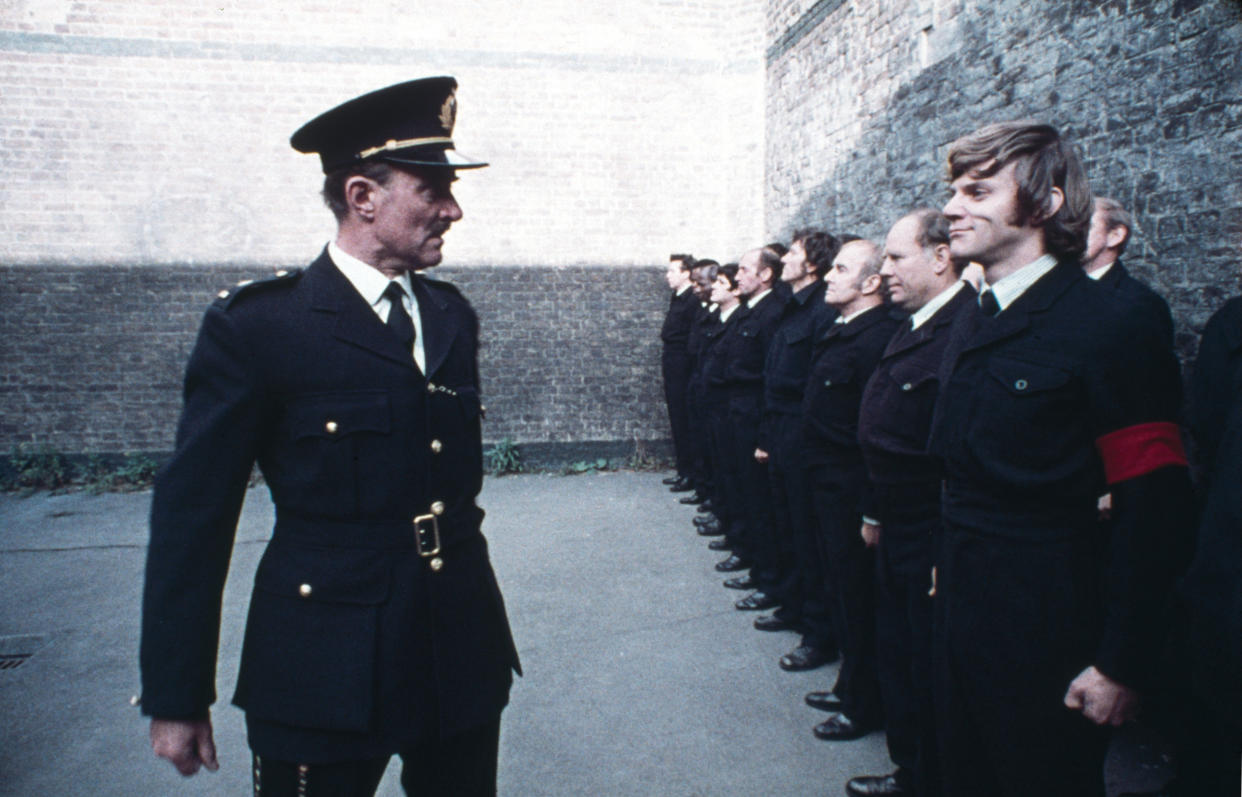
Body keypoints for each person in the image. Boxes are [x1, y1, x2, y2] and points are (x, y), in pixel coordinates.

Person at [139, 77, 521, 796]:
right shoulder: (260, 327)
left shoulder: (449, 316)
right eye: (432, 187)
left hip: (458, 650)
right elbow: (194, 514)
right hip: (324, 665)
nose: (453, 208)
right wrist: (176, 693)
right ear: (362, 196)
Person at [929, 120, 1191, 797]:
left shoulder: (1110, 323)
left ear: (1044, 203)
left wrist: (1122, 663)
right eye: (954, 190)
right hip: (963, 613)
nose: (952, 207)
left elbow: (1155, 503)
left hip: (1049, 631)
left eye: (977, 190)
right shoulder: (978, 311)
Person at [846, 209, 975, 797]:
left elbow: (954, 449)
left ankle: (926, 778)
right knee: (900, 650)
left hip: (931, 527)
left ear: (941, 257)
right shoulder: (915, 322)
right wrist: (875, 510)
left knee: (927, 665)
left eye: (897, 258)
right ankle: (911, 770)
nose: (886, 269)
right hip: (898, 520)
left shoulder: (964, 330)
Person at [801, 239, 903, 742]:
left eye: (840, 269)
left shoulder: (878, 338)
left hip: (851, 485)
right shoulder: (843, 330)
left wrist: (872, 509)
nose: (828, 276)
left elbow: (875, 430)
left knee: (860, 598)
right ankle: (851, 685)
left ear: (869, 284)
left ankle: (863, 705)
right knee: (842, 590)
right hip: (827, 482)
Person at [751, 231, 841, 675]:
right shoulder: (792, 306)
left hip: (802, 436)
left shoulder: (823, 311)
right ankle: (793, 606)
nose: (785, 258)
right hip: (780, 429)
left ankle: (819, 634)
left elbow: (813, 385)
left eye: (793, 253)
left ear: (812, 264)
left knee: (808, 538)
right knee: (786, 527)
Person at [714, 247, 789, 608]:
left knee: (761, 504)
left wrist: (764, 435)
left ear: (766, 276)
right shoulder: (750, 310)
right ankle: (756, 565)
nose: (737, 275)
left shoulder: (773, 313)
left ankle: (770, 581)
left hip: (755, 413)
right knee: (745, 495)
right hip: (736, 411)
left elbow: (770, 377)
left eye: (745, 269)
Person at [1082, 196, 1174, 346]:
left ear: (1115, 236)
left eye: (1085, 226)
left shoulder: (1141, 305)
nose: (1070, 233)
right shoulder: (1051, 290)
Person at [661, 253, 700, 494]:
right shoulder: (677, 298)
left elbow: (690, 337)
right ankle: (683, 470)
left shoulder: (692, 300)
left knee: (686, 419)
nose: (667, 275)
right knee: (677, 417)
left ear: (686, 273)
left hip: (683, 364)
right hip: (672, 361)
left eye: (672, 271)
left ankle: (691, 474)